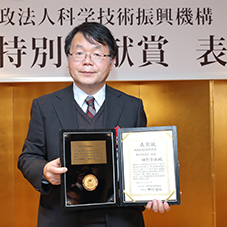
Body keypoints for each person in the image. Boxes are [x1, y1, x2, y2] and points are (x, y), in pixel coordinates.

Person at [18, 22, 170, 227]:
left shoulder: (132, 106)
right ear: (69, 59)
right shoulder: (45, 106)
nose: (87, 62)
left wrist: (155, 191)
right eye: (79, 53)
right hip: (61, 218)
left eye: (97, 54)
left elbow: (140, 160)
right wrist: (44, 170)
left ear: (112, 60)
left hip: (119, 220)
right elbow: (28, 157)